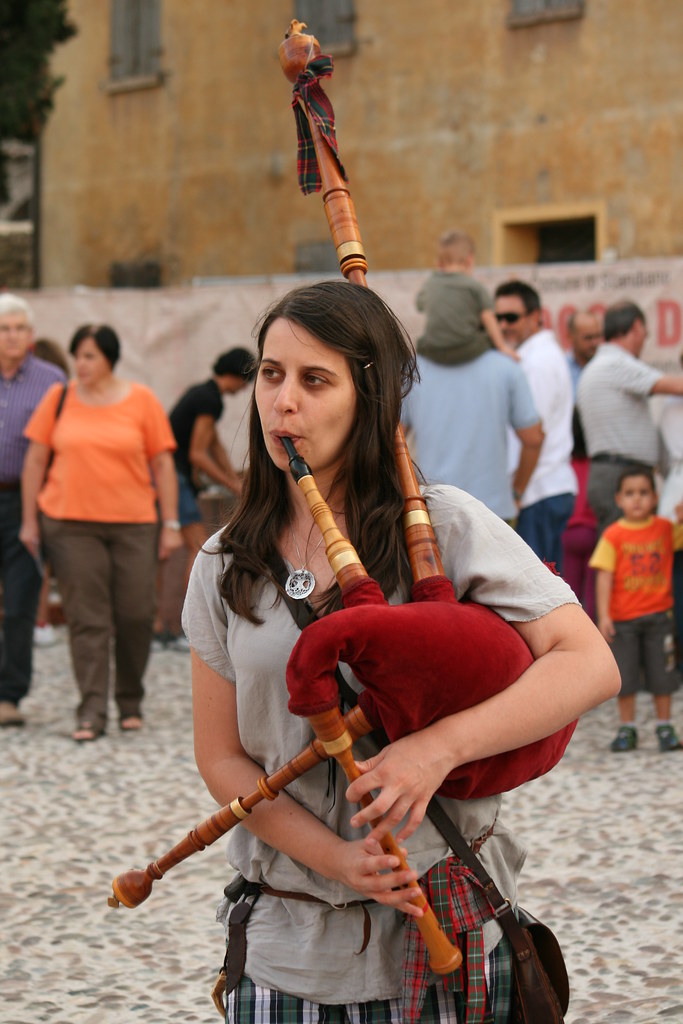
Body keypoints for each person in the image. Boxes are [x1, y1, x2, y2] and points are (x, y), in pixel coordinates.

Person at [183, 280, 619, 1022]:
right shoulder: (226, 562)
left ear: (368, 400)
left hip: (444, 933)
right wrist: (339, 860)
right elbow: (222, 758)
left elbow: (589, 664)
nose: (282, 401)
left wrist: (436, 749)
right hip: (290, 948)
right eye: (271, 373)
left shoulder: (443, 526)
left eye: (314, 380)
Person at [20, 324, 182, 741]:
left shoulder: (142, 401)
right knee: (86, 619)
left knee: (135, 614)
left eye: (90, 356)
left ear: (110, 358)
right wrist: (29, 520)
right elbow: (36, 461)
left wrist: (170, 523)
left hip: (135, 525)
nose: (82, 364)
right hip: (70, 525)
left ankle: (130, 700)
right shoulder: (58, 399)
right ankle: (91, 711)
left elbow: (163, 465)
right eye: (78, 356)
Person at [153, 348, 255, 651]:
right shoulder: (209, 399)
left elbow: (214, 445)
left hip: (178, 477)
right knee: (199, 550)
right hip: (175, 478)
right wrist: (232, 485)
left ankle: (164, 627)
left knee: (191, 550)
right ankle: (186, 629)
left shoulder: (206, 394)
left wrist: (233, 479)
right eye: (246, 380)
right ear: (237, 375)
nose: (245, 388)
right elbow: (199, 453)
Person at [0, 296, 67, 728]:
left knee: (22, 599)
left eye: (20, 328)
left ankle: (8, 695)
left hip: (25, 501)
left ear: (31, 335)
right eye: (5, 328)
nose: (13, 336)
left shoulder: (52, 381)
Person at [589, 467, 683, 753]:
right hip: (624, 621)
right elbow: (603, 575)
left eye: (644, 493)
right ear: (618, 499)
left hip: (659, 619)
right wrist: (604, 616)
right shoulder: (613, 535)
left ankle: (664, 726)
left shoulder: (665, 529)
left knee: (662, 676)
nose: (637, 499)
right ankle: (627, 728)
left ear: (655, 498)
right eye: (630, 494)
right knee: (626, 677)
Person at [576, 300, 683, 538]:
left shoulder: (598, 365)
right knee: (629, 556)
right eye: (645, 333)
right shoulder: (617, 363)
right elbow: (672, 385)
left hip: (611, 472)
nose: (645, 339)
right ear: (636, 328)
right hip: (622, 475)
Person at [402, 346, 543, 524]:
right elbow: (533, 439)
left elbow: (391, 440)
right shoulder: (505, 368)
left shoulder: (413, 369)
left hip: (435, 511)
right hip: (493, 512)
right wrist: (517, 491)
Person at [494, 280, 576, 569]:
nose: (504, 325)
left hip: (538, 490)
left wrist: (516, 492)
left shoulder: (537, 363)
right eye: (498, 317)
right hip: (543, 489)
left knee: (538, 602)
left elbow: (532, 436)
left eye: (512, 317)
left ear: (535, 316)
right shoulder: (536, 356)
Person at [415, 230, 518, 365]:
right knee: (486, 336)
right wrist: (502, 346)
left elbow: (420, 305)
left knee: (422, 340)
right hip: (465, 350)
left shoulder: (430, 284)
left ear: (439, 262)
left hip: (434, 350)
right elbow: (488, 317)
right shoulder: (473, 286)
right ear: (469, 260)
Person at [30, 337, 72, 648]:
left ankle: (39, 620)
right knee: (43, 560)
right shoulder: (65, 389)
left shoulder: (49, 388)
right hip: (54, 482)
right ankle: (41, 621)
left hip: (37, 480)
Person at [566, 310, 602, 399]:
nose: (594, 343)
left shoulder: (605, 366)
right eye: (588, 338)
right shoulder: (562, 368)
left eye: (597, 336)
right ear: (571, 337)